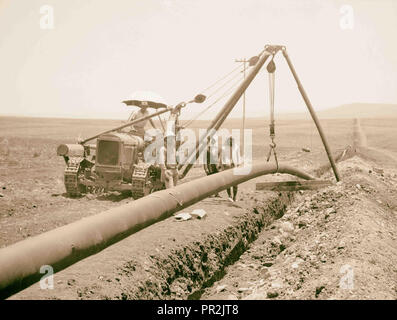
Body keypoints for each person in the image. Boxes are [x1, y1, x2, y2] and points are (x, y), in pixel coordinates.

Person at [220, 136, 241, 202]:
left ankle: (234, 196)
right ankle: (229, 196)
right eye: (230, 141)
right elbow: (222, 157)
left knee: (235, 182)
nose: (231, 142)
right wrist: (223, 165)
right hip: (227, 166)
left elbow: (238, 156)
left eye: (232, 140)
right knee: (228, 182)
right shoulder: (224, 148)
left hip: (234, 166)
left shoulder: (236, 147)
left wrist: (238, 164)